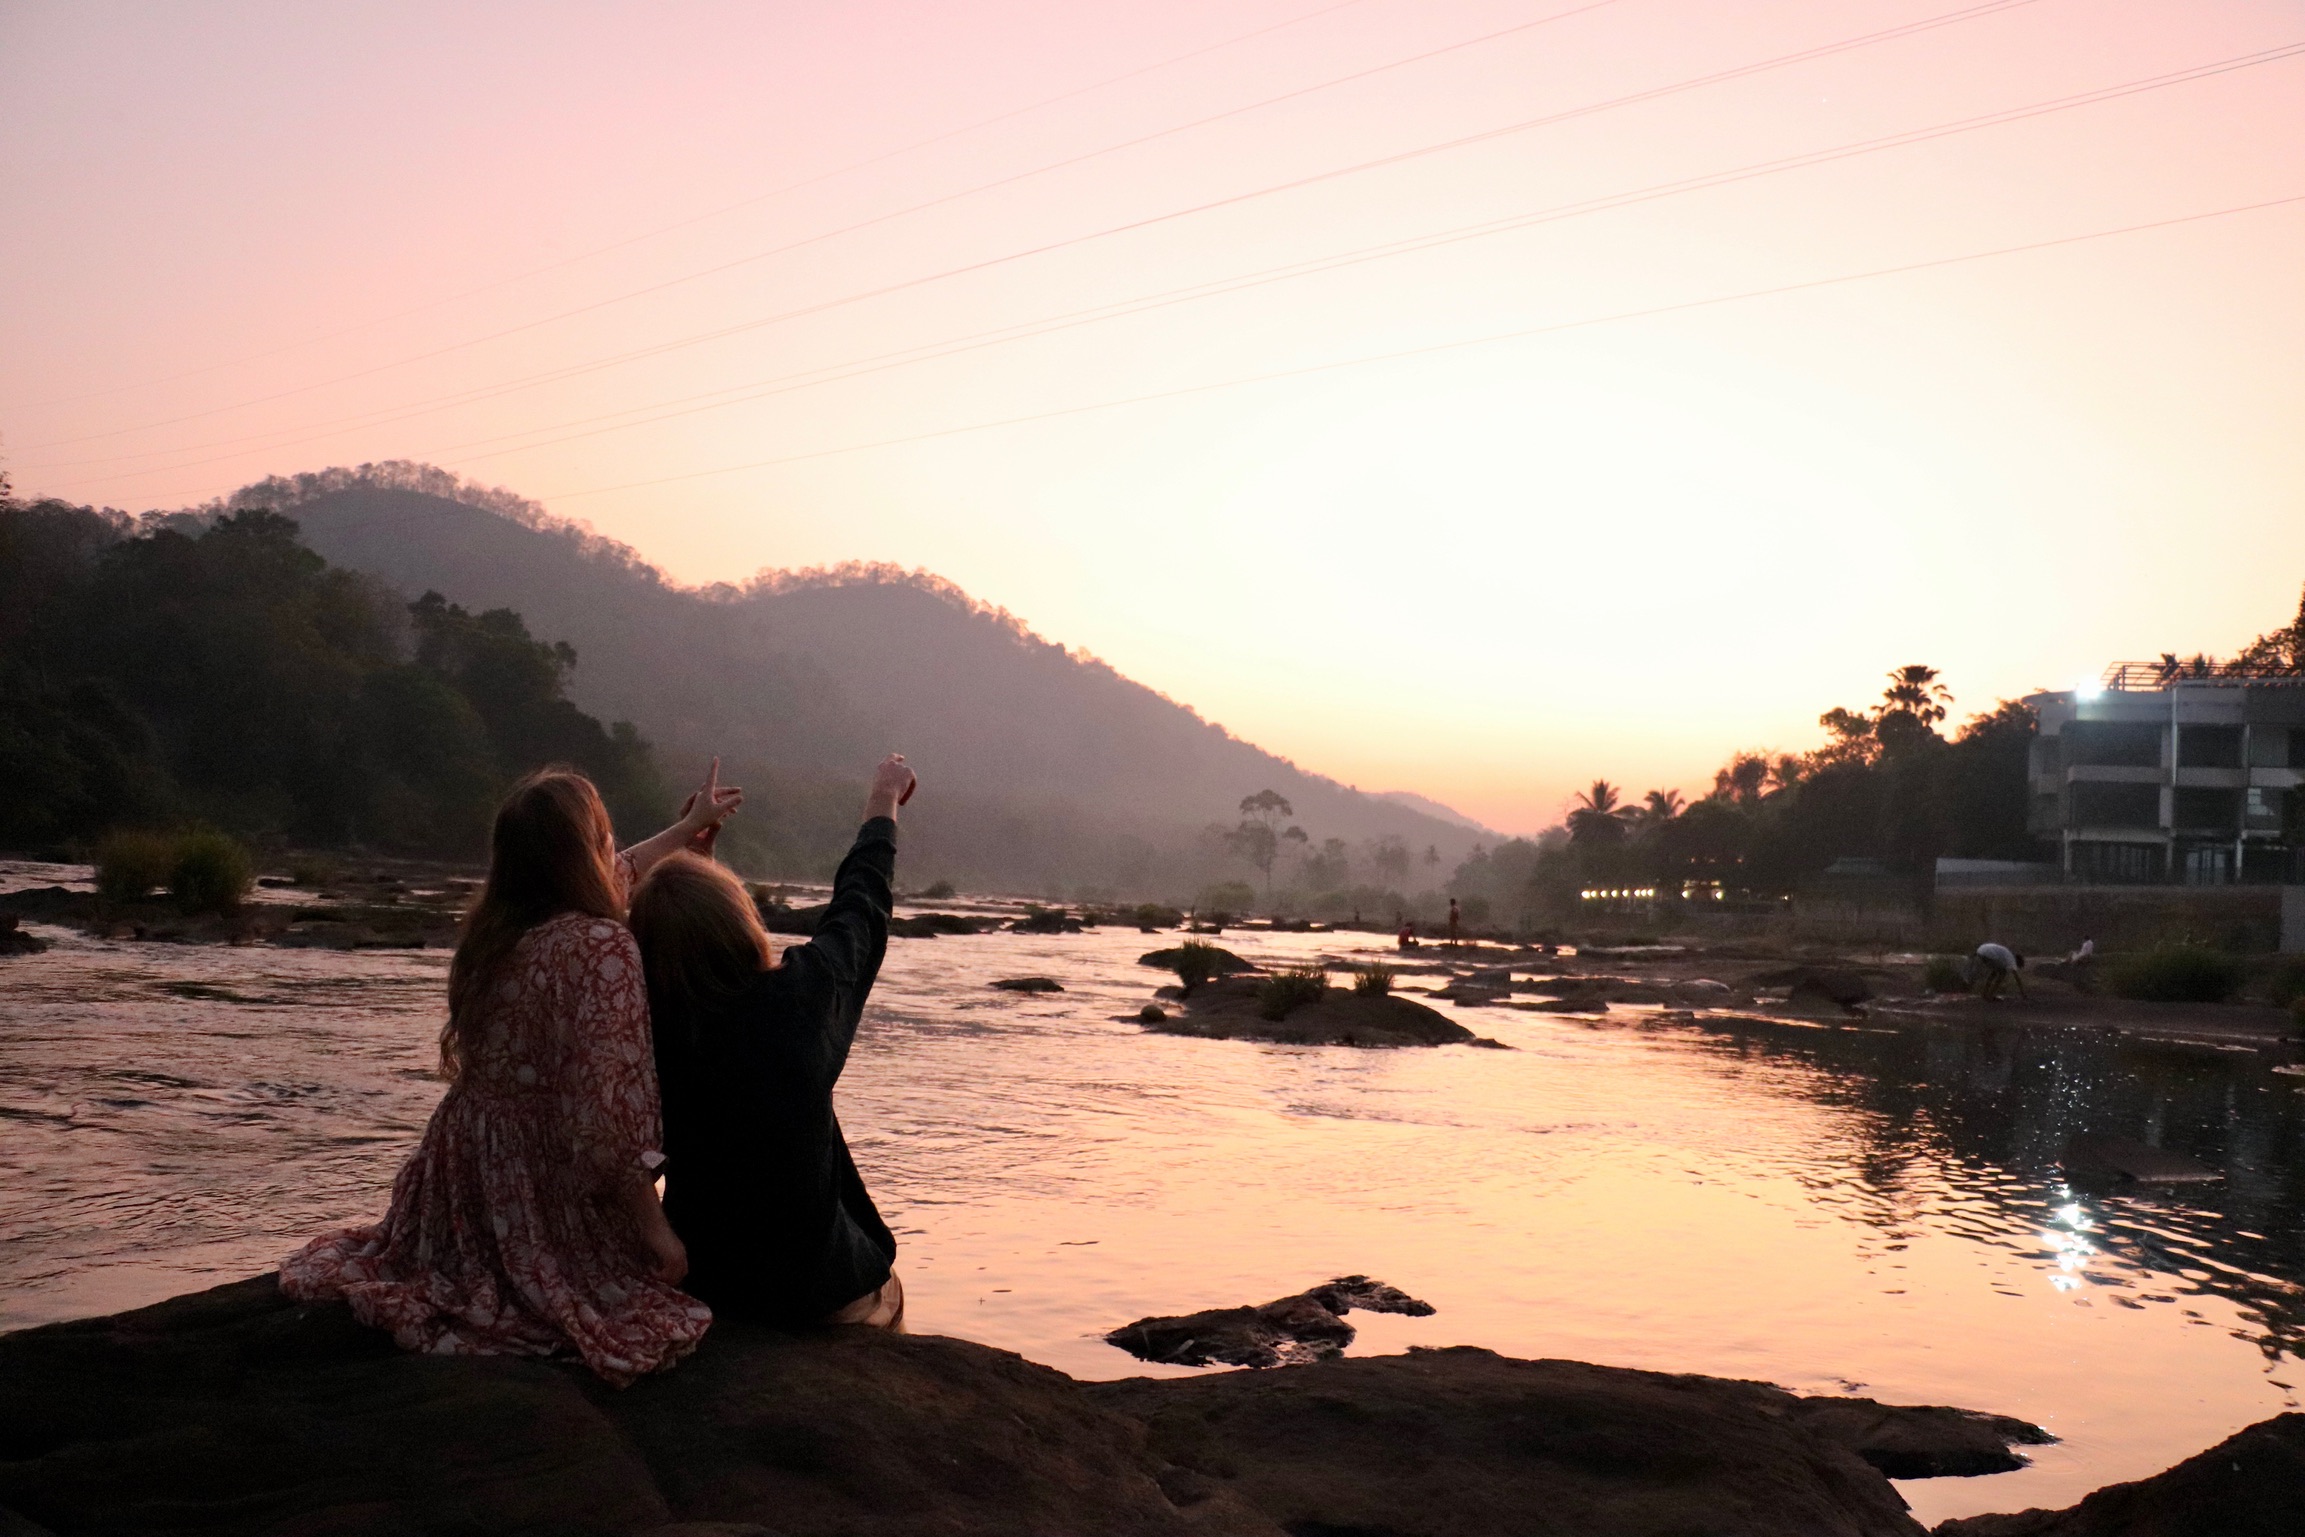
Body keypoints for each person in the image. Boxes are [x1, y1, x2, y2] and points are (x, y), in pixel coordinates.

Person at [279, 761, 742, 1385]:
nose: (616, 851)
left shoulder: (495, 927)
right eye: (606, 836)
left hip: (459, 1176)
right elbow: (605, 1122)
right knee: (641, 1309)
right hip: (535, 1183)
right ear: (585, 856)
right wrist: (658, 1232)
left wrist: (686, 829)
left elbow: (621, 869)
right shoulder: (603, 948)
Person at [627, 753, 914, 1329]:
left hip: (703, 1286)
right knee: (888, 1296)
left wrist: (688, 851)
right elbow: (861, 907)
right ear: (740, 922)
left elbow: (590, 905)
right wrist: (882, 802)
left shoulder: (640, 1021)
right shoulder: (803, 998)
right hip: (820, 1291)